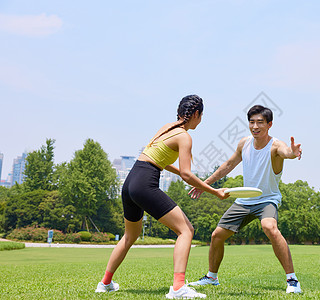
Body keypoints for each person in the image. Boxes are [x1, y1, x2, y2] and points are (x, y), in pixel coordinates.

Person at [95, 95, 228, 299]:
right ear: (195, 114)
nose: (200, 121)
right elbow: (186, 174)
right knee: (186, 230)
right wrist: (214, 191)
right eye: (201, 116)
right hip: (144, 183)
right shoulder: (184, 136)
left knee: (130, 235)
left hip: (131, 181)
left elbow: (161, 161)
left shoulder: (166, 128)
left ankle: (105, 283)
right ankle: (178, 287)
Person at [187, 104, 302, 293]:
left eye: (260, 122)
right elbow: (228, 164)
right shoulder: (244, 143)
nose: (255, 126)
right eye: (252, 122)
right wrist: (204, 184)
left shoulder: (276, 146)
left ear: (269, 124)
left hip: (267, 199)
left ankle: (292, 281)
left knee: (269, 227)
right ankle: (211, 277)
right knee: (217, 236)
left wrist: (293, 152)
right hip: (245, 199)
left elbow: (286, 153)